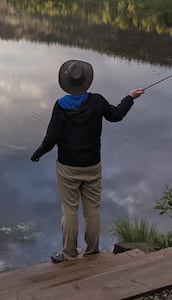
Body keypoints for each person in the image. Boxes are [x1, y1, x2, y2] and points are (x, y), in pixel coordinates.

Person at [30, 59, 144, 263]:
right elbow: (116, 115)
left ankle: (69, 255)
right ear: (86, 81)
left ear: (67, 83)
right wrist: (129, 98)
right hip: (92, 165)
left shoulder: (61, 106)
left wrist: (37, 153)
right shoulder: (97, 101)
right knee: (92, 210)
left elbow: (51, 138)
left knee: (69, 210)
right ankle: (92, 252)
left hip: (67, 167)